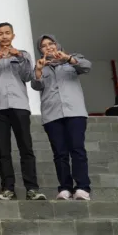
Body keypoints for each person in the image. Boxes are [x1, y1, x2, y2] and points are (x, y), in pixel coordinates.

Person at [0, 22, 46, 200]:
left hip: (19, 105)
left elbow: (28, 76)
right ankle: (8, 189)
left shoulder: (23, 54)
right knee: (3, 150)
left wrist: (20, 57)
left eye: (7, 33)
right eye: (0, 34)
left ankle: (32, 188)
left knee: (26, 148)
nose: (4, 36)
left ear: (13, 35)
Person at [32, 34, 92, 200]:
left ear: (57, 44)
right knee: (59, 153)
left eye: (51, 43)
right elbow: (36, 86)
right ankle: (65, 187)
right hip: (52, 114)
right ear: (40, 50)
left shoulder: (72, 59)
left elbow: (86, 67)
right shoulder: (41, 66)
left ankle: (82, 187)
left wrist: (68, 58)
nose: (48, 47)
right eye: (44, 45)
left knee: (77, 149)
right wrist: (38, 70)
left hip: (75, 112)